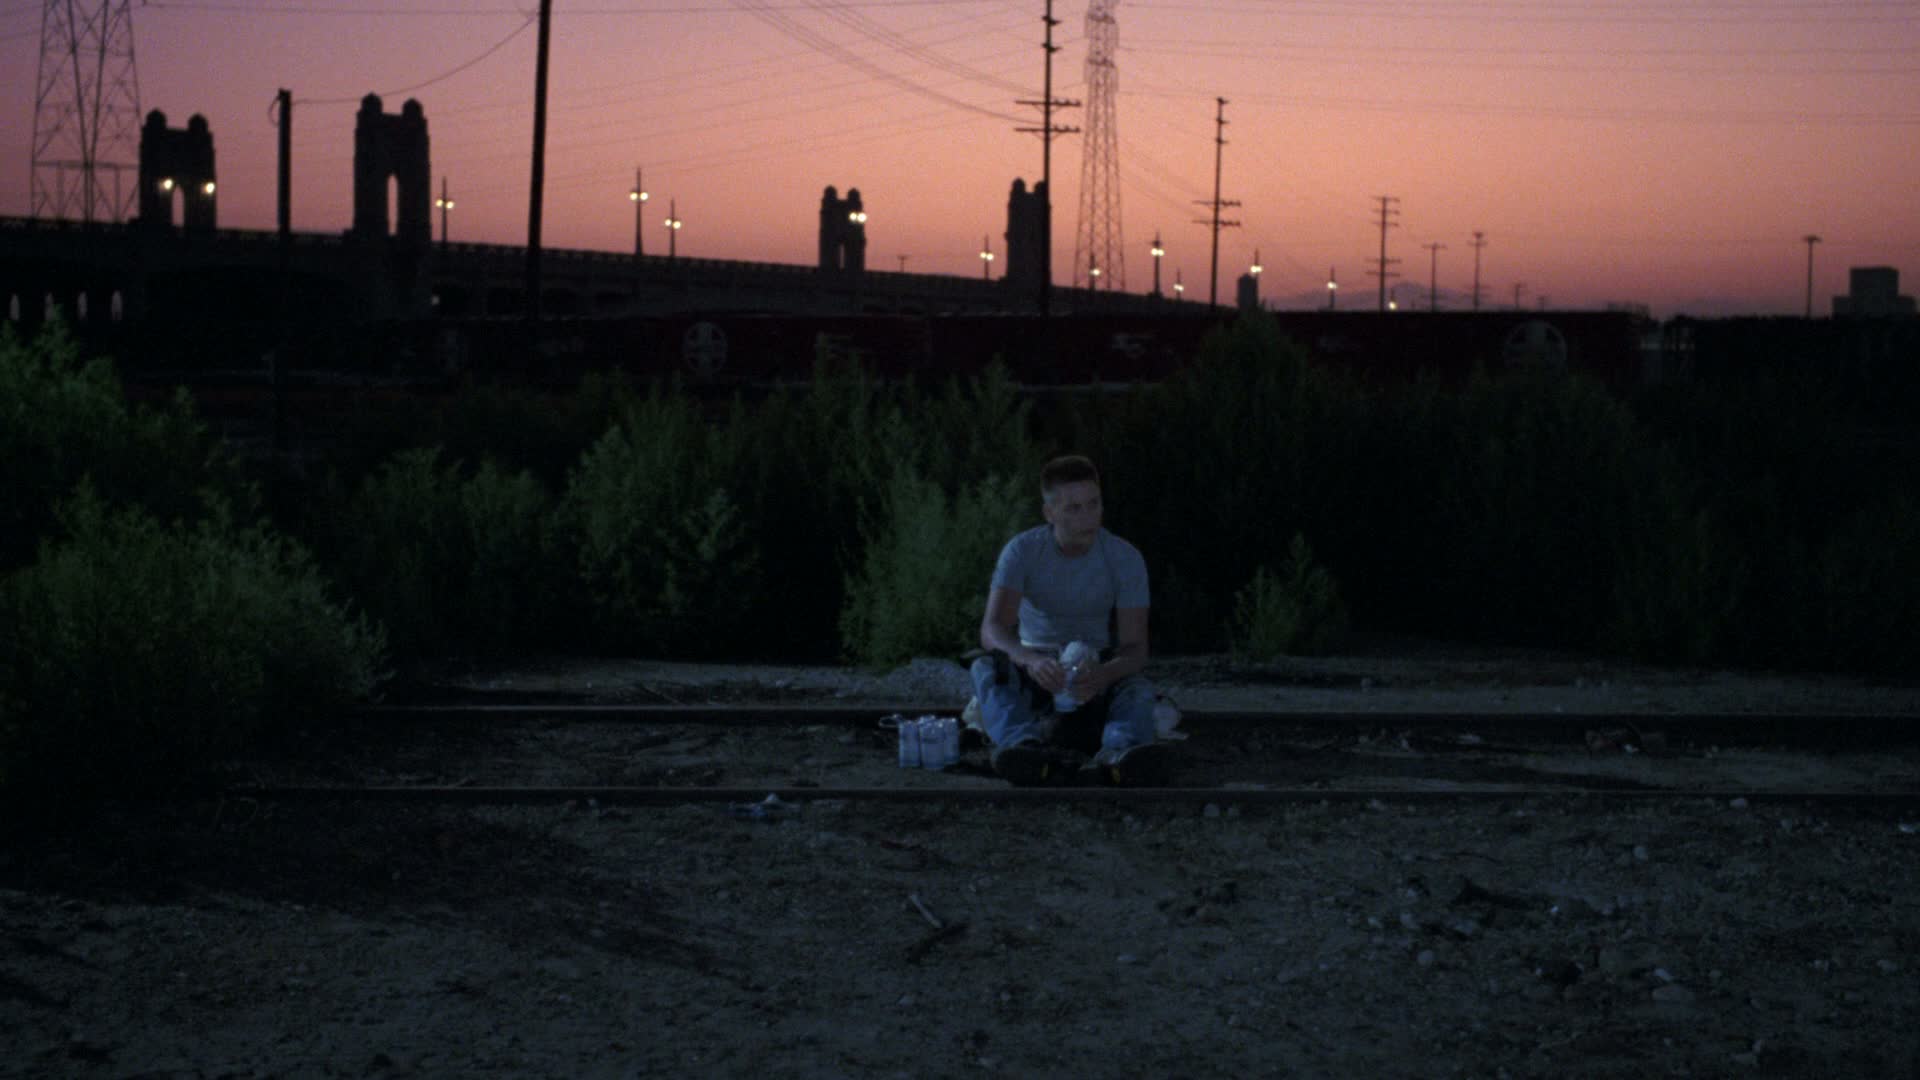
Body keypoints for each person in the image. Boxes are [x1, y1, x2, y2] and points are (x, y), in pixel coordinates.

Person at [970, 455, 1171, 785]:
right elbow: (992, 629)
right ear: (1050, 513)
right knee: (985, 669)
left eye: (1094, 504)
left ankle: (1119, 756)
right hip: (1038, 667)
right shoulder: (1023, 551)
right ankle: (1023, 750)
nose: (1088, 517)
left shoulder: (1124, 557)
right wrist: (1030, 660)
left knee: (1137, 687)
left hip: (1092, 667)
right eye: (1074, 508)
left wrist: (1104, 674)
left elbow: (1136, 648)